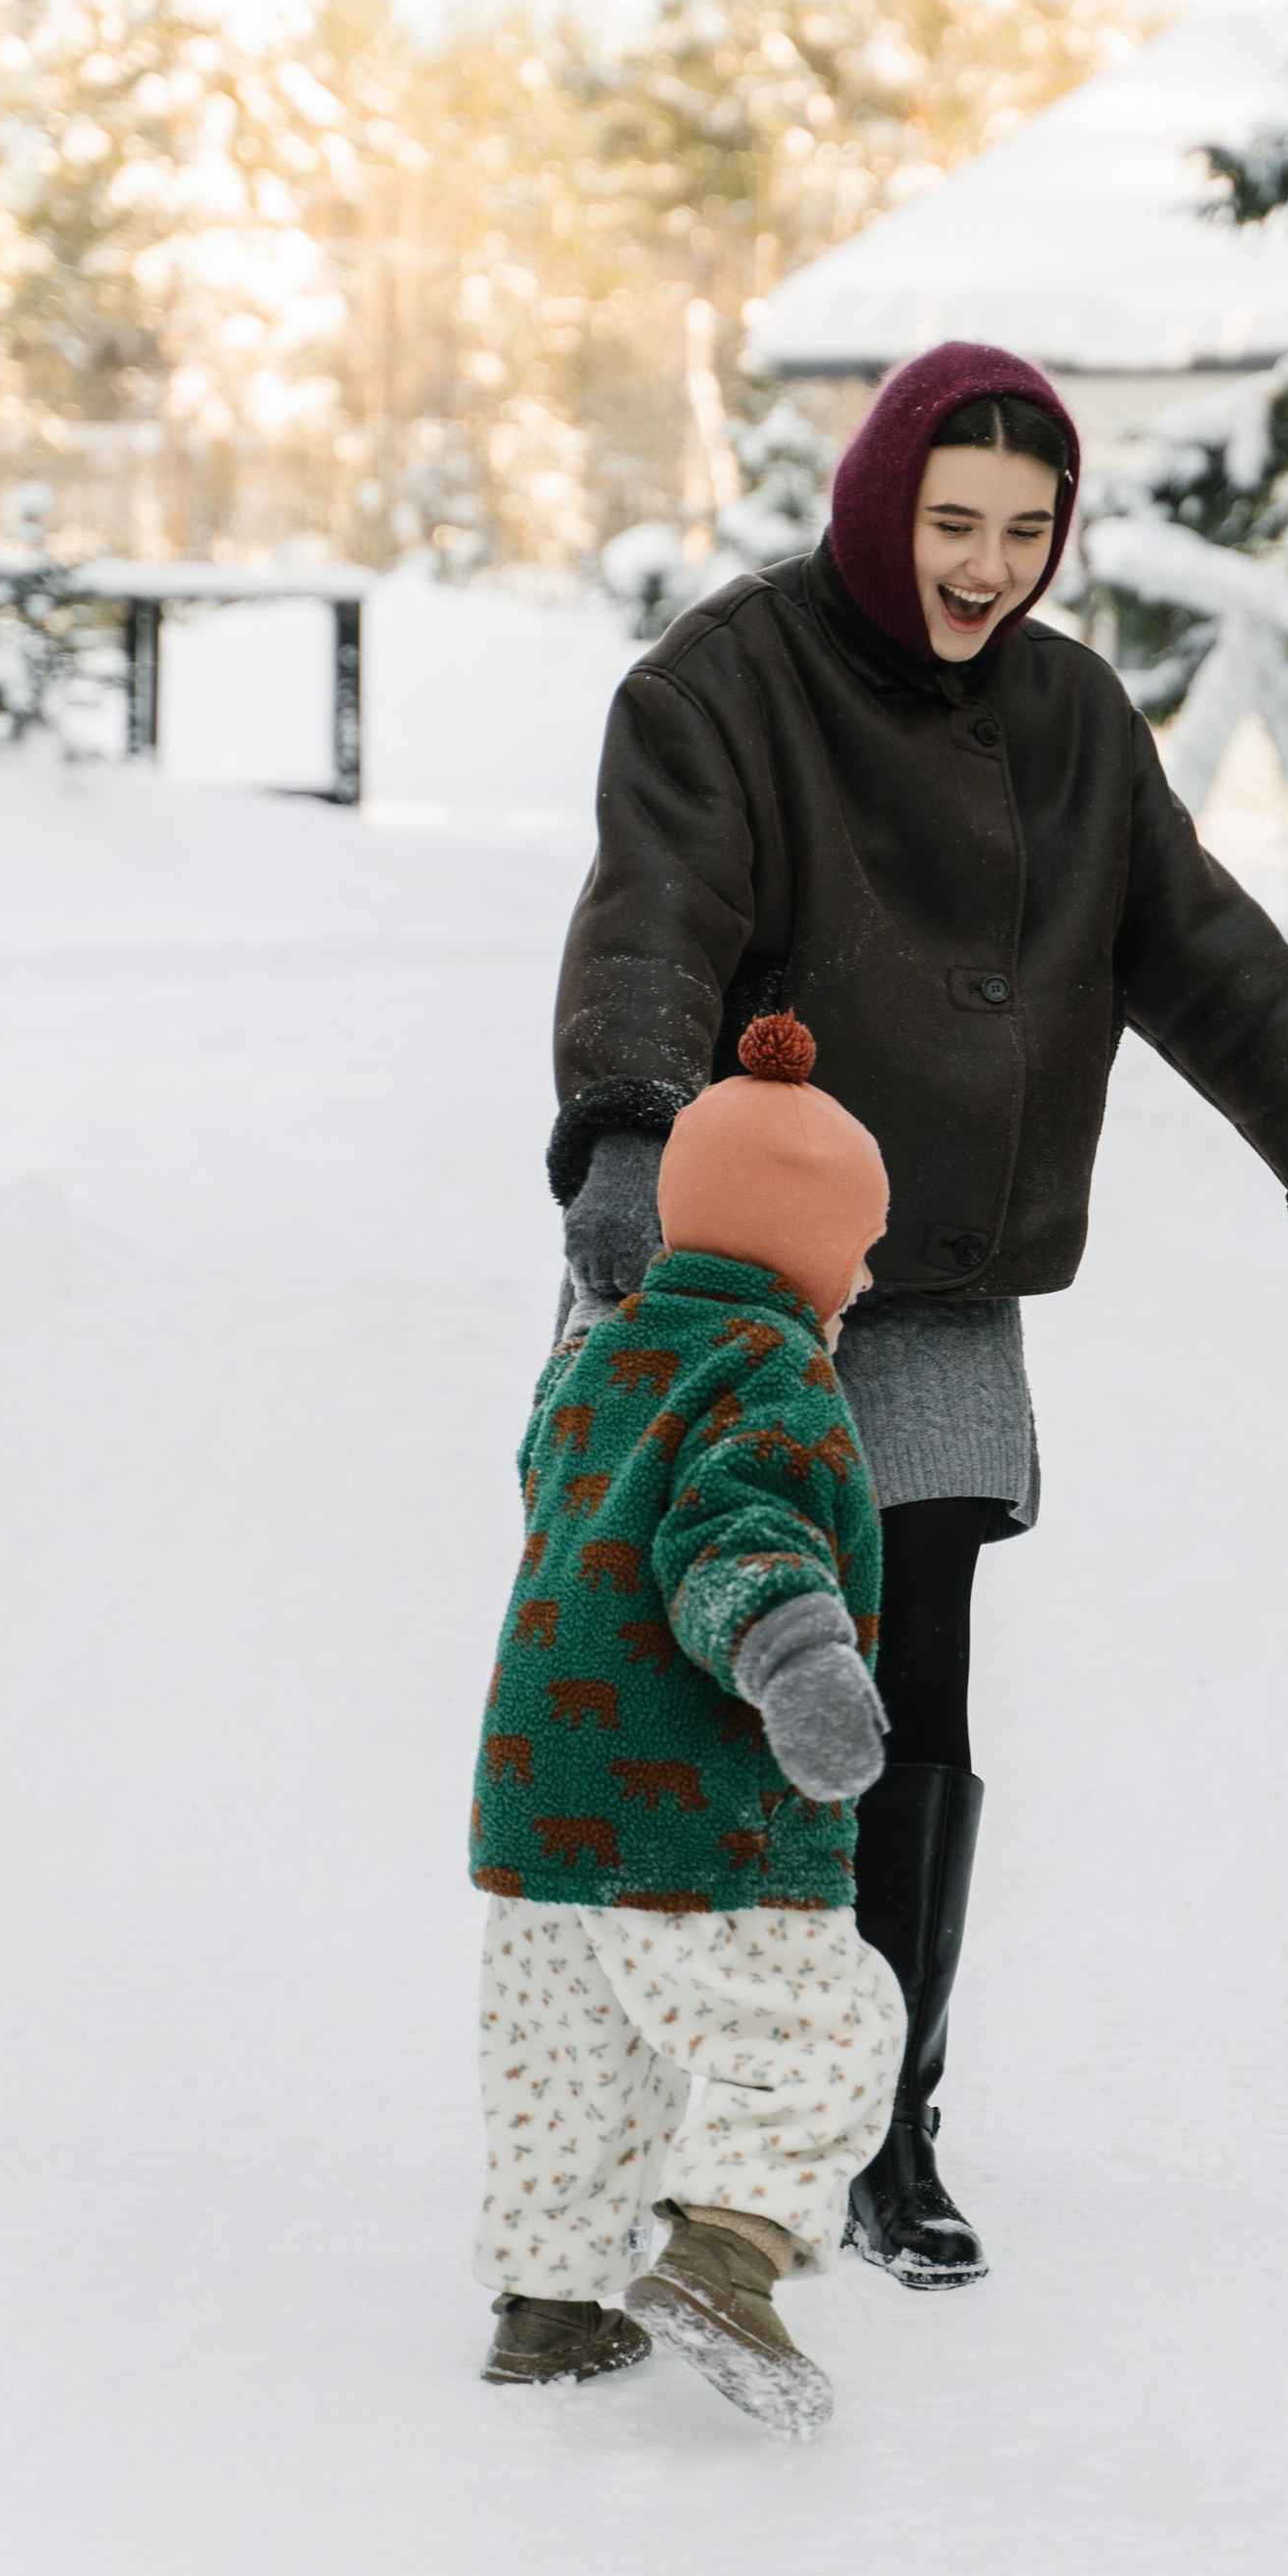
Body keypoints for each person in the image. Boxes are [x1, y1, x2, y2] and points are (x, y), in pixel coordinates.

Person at [546, 338, 1288, 2283]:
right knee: (691, 1695)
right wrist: (632, 1137)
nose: (985, 565)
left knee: (912, 1706)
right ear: (878, 504)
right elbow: (650, 907)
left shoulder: (1066, 719)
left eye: (1024, 527)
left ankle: (877, 2132)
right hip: (720, 1272)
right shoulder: (721, 686)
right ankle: (646, 2120)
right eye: (950, 522)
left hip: (938, 1285)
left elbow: (1208, 957)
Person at [472, 1010, 903, 2437]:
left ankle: (552, 2308)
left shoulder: (591, 1360)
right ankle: (727, 2256)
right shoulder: (776, 1374)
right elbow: (737, 1534)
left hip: (541, 1805)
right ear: (813, 1255)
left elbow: (554, 1487)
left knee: (572, 2068)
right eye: (859, 1249)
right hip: (687, 1807)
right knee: (833, 2029)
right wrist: (796, 1658)